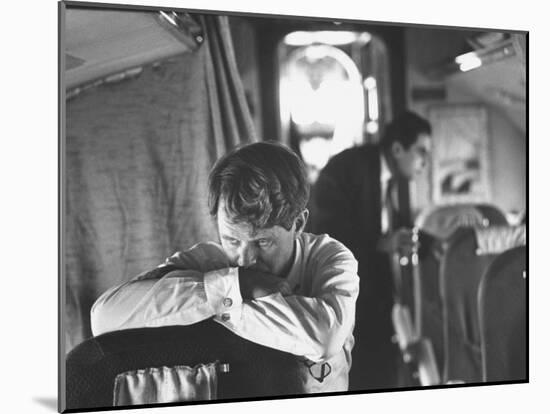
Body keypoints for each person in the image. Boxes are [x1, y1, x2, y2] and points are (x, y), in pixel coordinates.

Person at [91, 141, 359, 394]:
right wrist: (234, 286)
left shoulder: (331, 258)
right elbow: (104, 317)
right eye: (231, 239)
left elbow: (324, 338)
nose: (244, 259)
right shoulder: (208, 261)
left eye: (263, 241)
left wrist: (208, 309)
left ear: (298, 224)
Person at [311, 111, 432, 390]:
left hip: (373, 301)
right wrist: (381, 244)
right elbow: (327, 231)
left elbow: (388, 227)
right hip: (349, 302)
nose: (425, 162)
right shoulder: (351, 168)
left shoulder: (385, 178)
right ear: (398, 148)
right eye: (421, 152)